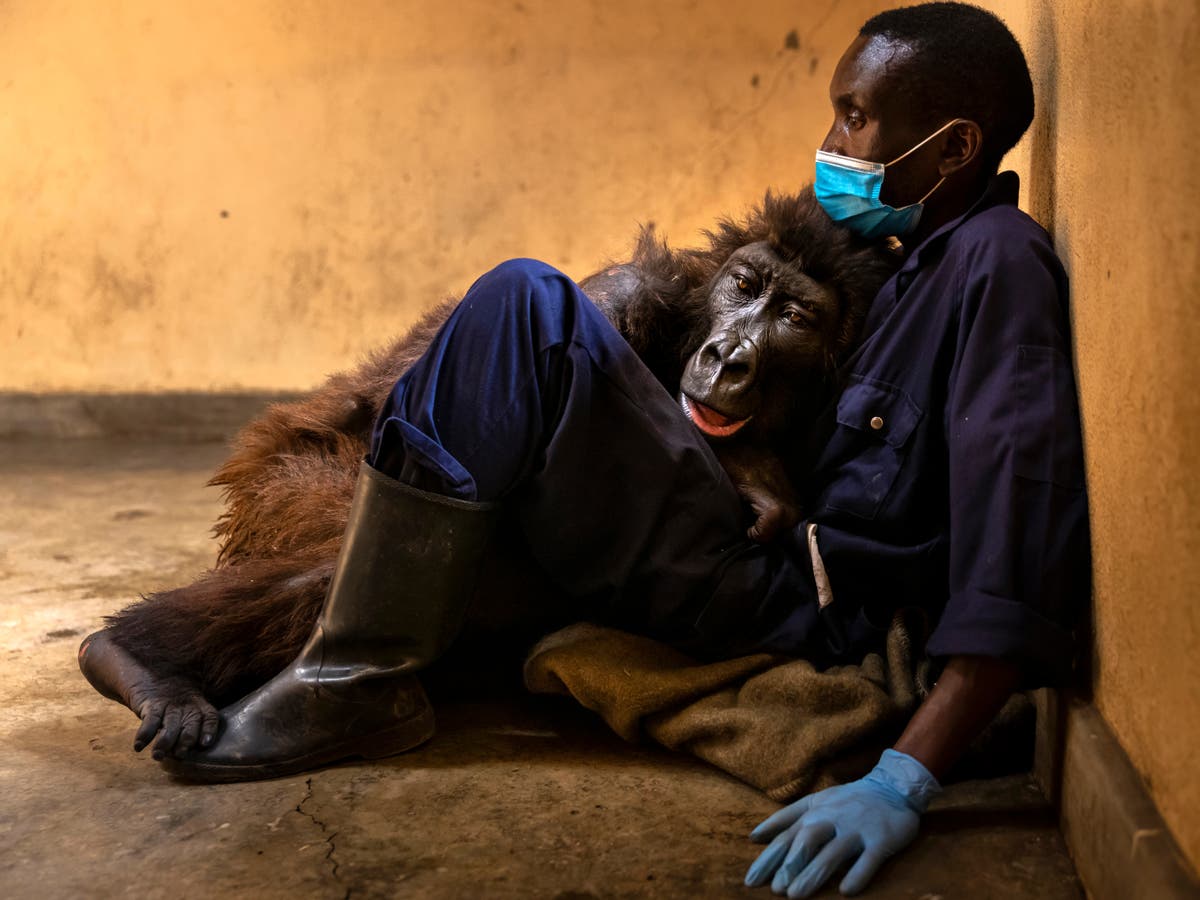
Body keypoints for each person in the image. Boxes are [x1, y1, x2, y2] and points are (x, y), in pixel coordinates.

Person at [143, 3, 1090, 895]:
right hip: (741, 541)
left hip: (784, 603)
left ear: (956, 146)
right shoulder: (899, 265)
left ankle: (356, 677)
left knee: (529, 308)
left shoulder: (995, 264)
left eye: (854, 119)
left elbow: (1017, 536)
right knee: (539, 319)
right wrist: (744, 465)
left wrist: (904, 778)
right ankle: (347, 648)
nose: (832, 149)